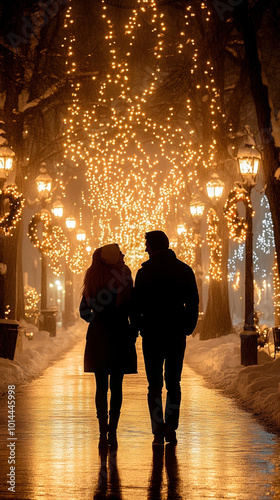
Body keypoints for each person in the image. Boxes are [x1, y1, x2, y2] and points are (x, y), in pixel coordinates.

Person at [133, 230, 199, 446]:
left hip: (152, 333)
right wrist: (188, 326)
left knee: (154, 384)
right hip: (175, 332)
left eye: (146, 245)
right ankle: (171, 426)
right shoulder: (183, 270)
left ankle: (157, 430)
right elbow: (193, 302)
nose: (145, 249)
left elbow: (137, 305)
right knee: (173, 382)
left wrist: (138, 327)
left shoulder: (144, 273)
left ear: (152, 246)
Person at [80, 243, 137, 450]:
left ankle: (102, 430)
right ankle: (113, 429)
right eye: (120, 252)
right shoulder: (124, 275)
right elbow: (133, 306)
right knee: (117, 386)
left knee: (101, 386)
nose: (123, 254)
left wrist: (97, 315)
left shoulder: (93, 277)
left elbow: (84, 312)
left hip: (98, 336)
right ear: (114, 257)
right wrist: (133, 329)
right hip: (121, 335)